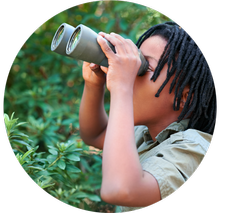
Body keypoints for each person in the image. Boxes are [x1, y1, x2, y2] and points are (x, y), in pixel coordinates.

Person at [79, 21, 216, 212]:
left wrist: (122, 87)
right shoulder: (145, 134)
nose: (132, 73)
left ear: (185, 97)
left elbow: (120, 190)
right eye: (135, 61)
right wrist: (94, 84)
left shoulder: (195, 148)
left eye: (144, 67)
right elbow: (95, 134)